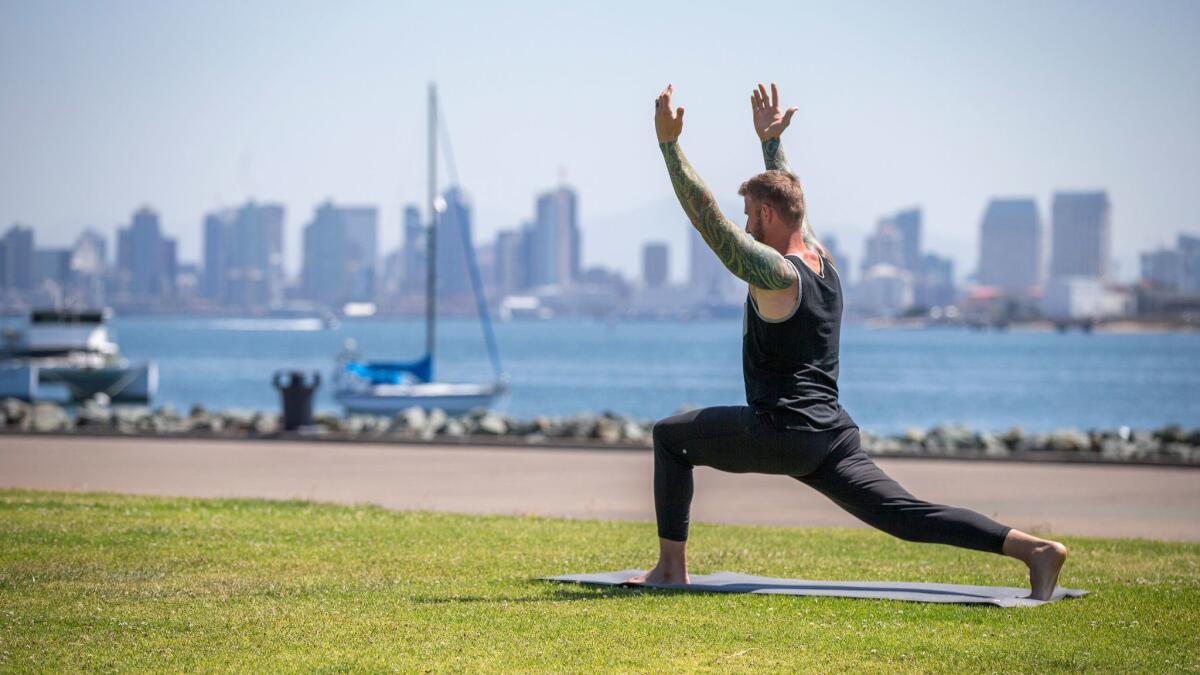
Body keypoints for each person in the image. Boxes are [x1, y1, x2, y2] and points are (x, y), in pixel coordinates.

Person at [626, 83, 1068, 600]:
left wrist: (670, 148)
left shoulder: (776, 273)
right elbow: (795, 209)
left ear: (766, 215)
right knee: (905, 516)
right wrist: (771, 144)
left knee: (669, 437)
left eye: (751, 215)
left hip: (782, 429)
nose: (745, 225)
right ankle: (1034, 550)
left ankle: (671, 568)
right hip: (830, 434)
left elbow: (711, 224)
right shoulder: (825, 263)